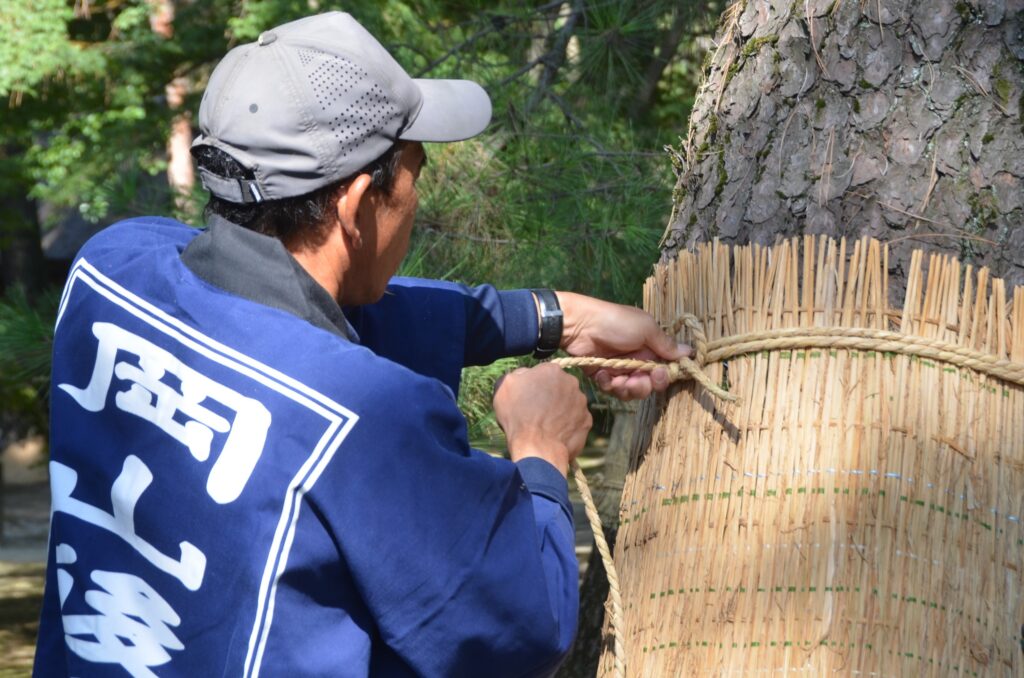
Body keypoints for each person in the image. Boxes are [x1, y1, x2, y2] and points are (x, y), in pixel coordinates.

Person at [34, 12, 687, 677]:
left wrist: (552, 318)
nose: (416, 200)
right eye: (414, 176)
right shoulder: (365, 419)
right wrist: (541, 451)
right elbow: (521, 626)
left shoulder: (110, 268)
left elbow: (284, 305)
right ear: (354, 205)